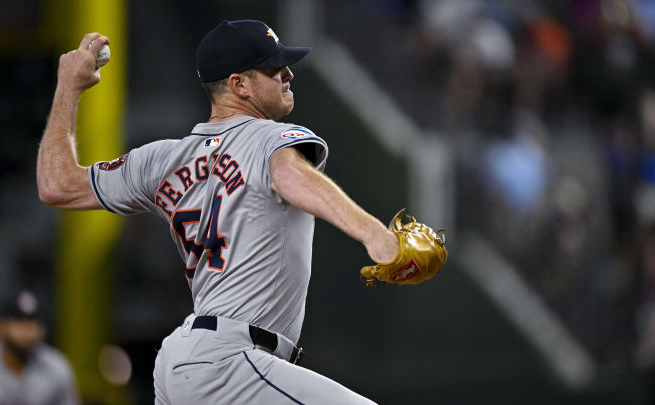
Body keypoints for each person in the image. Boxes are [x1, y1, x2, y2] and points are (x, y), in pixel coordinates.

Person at [36, 20, 400, 404]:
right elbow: (288, 174)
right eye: (273, 68)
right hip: (231, 361)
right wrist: (374, 233)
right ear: (239, 85)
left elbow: (57, 185)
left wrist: (67, 88)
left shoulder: (160, 160)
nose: (288, 74)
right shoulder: (268, 137)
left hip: (186, 362)